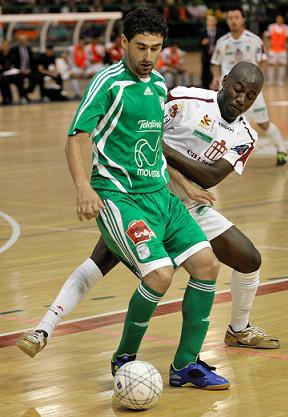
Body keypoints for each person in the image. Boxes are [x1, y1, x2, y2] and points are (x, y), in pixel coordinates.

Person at [17, 8, 229, 391]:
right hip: (120, 198)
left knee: (207, 265)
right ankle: (125, 356)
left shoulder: (160, 85)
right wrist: (84, 187)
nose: (149, 56)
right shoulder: (108, 83)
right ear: (123, 44)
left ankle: (185, 366)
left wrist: (181, 183)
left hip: (161, 197)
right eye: (142, 47)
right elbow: (76, 137)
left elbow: (153, 144)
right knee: (160, 274)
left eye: (156, 48)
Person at [17, 62, 280, 366]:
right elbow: (141, 132)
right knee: (100, 261)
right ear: (224, 81)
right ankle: (43, 329)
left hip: (191, 206)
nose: (242, 99)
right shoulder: (184, 100)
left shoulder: (246, 135)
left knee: (249, 259)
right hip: (145, 194)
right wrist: (166, 163)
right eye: (238, 89)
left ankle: (238, 329)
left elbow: (209, 178)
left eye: (251, 95)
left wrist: (165, 151)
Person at [210, 7, 288, 166]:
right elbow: (215, 63)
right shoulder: (222, 42)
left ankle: (281, 150)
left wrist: (259, 80)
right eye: (230, 17)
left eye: (236, 17)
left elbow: (263, 61)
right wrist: (216, 77)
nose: (233, 20)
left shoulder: (254, 40)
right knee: (220, 122)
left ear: (243, 19)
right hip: (229, 92)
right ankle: (213, 156)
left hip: (251, 93)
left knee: (263, 123)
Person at [263, 15, 288, 86]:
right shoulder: (271, 27)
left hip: (282, 50)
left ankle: (280, 81)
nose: (279, 19)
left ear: (282, 19)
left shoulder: (286, 28)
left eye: (280, 18)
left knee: (282, 65)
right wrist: (267, 45)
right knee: (271, 65)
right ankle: (270, 81)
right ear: (276, 19)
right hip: (273, 49)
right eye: (278, 18)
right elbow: (266, 36)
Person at [9, 34, 36, 102]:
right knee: (19, 79)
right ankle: (23, 97)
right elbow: (13, 62)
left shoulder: (29, 49)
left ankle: (25, 93)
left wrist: (30, 69)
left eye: (24, 40)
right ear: (18, 41)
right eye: (21, 40)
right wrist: (20, 70)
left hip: (28, 70)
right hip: (18, 71)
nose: (23, 42)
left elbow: (33, 61)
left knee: (37, 78)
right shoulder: (14, 50)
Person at [0, 39, 28, 104]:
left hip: (14, 73)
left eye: (7, 45)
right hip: (4, 73)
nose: (6, 47)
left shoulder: (13, 53)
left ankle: (23, 97)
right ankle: (7, 98)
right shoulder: (0, 54)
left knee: (19, 79)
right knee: (4, 80)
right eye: (4, 45)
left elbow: (16, 64)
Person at [200, 15, 224, 89]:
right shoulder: (202, 31)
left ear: (216, 21)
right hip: (206, 54)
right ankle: (205, 87)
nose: (211, 22)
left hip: (216, 54)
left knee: (218, 70)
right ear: (207, 22)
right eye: (209, 20)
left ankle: (220, 86)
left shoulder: (220, 31)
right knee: (205, 71)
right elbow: (199, 42)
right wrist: (202, 42)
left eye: (213, 20)